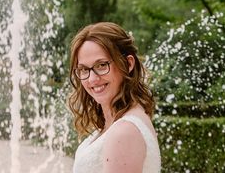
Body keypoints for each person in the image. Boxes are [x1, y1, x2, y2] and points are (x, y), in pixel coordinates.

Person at [69, 22, 161, 173]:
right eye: (84, 69)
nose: (92, 79)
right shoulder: (119, 123)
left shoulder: (124, 131)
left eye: (102, 65)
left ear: (128, 63)